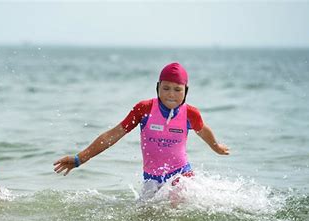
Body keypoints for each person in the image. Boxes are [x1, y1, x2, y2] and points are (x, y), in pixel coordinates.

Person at [54, 62, 229, 200]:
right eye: (166, 88)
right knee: (145, 218)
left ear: (186, 91)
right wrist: (80, 158)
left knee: (176, 203)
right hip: (151, 179)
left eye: (178, 90)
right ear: (158, 87)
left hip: (181, 174)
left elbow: (203, 130)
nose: (171, 94)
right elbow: (113, 134)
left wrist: (216, 147)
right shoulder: (144, 109)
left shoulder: (190, 113)